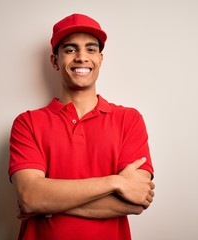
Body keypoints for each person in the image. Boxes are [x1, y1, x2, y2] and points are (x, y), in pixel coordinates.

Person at [8, 13, 155, 240]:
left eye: (91, 49)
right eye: (70, 49)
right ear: (55, 61)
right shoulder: (27, 123)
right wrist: (116, 182)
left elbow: (136, 201)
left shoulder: (129, 119)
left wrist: (46, 204)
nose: (81, 57)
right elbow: (30, 196)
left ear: (100, 58)